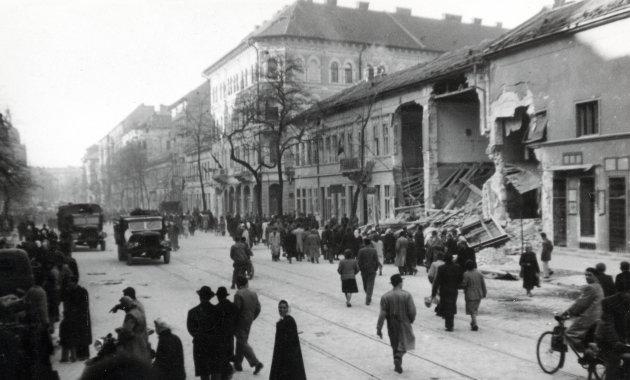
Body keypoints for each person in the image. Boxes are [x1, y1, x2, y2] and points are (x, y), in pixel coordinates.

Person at [376, 274, 416, 374]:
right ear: (400, 283)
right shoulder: (407, 295)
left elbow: (382, 314)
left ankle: (397, 364)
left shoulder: (385, 296)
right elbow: (412, 311)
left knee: (395, 343)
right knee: (407, 341)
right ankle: (398, 357)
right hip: (404, 321)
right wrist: (411, 319)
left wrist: (379, 328)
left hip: (391, 323)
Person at [561, 267, 604, 351]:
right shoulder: (598, 286)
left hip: (590, 317)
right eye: (586, 275)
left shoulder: (591, 287)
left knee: (569, 334)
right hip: (598, 316)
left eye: (590, 275)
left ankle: (587, 353)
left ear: (595, 276)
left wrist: (566, 313)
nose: (587, 277)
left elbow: (580, 304)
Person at [233, 276, 264, 374]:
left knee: (242, 342)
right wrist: (252, 317)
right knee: (241, 341)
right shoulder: (253, 293)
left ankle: (256, 363)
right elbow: (258, 308)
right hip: (249, 321)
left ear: (238, 284)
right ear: (247, 283)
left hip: (240, 322)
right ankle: (238, 364)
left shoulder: (238, 294)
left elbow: (236, 310)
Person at [269, 300, 306, 380]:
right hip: (283, 354)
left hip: (288, 356)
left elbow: (290, 339)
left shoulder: (289, 321)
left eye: (284, 308)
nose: (281, 309)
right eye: (280, 307)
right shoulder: (283, 321)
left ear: (287, 309)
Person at [187, 286, 218, 380]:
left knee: (204, 371)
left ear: (200, 297)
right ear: (210, 297)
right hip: (214, 344)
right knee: (214, 370)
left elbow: (190, 329)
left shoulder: (192, 312)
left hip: (199, 344)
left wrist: (199, 336)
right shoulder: (216, 310)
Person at [59, 276, 92, 362]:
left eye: (71, 282)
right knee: (76, 335)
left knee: (83, 335)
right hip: (72, 317)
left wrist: (75, 311)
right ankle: (77, 354)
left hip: (82, 317)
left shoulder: (83, 291)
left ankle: (84, 354)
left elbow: (84, 305)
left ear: (75, 282)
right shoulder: (69, 291)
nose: (69, 284)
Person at [431, 253, 463, 332]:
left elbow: (437, 281)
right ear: (452, 259)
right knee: (452, 305)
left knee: (446, 305)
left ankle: (449, 324)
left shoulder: (441, 268)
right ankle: (450, 323)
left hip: (444, 290)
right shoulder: (457, 267)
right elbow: (461, 278)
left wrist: (433, 293)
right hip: (453, 289)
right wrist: (457, 285)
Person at [116, 296, 151, 362]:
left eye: (123, 307)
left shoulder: (130, 315)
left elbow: (128, 331)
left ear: (126, 306)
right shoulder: (139, 312)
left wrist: (120, 333)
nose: (124, 309)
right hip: (142, 340)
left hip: (133, 344)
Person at [215, 286, 238, 374]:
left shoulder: (216, 308)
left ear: (218, 296)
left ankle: (227, 369)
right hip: (230, 334)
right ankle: (231, 365)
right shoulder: (233, 306)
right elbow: (236, 318)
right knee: (229, 351)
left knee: (222, 354)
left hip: (220, 335)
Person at [461, 260, 486, 331]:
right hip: (479, 293)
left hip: (470, 294)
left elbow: (464, 284)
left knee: (472, 310)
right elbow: (483, 284)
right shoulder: (479, 273)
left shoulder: (466, 274)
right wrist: (484, 292)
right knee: (475, 309)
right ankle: (472, 322)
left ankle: (475, 323)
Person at [357, 238, 382, 305]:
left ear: (364, 243)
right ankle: (368, 297)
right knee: (370, 285)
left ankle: (368, 297)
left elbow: (359, 261)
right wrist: (376, 268)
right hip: (372, 270)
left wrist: (360, 268)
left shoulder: (361, 251)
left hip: (364, 270)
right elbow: (376, 260)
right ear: (370, 243)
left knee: (365, 285)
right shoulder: (374, 251)